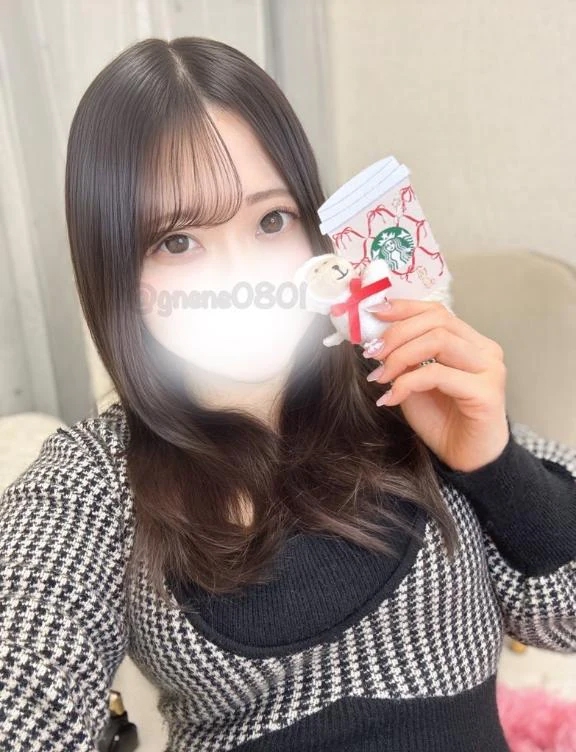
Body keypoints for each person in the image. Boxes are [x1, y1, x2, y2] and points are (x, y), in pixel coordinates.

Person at [0, 36, 575, 752]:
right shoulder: (92, 483)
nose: (240, 274)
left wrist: (495, 464)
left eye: (271, 221)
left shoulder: (409, 387)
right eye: (177, 241)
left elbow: (565, 619)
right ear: (114, 269)